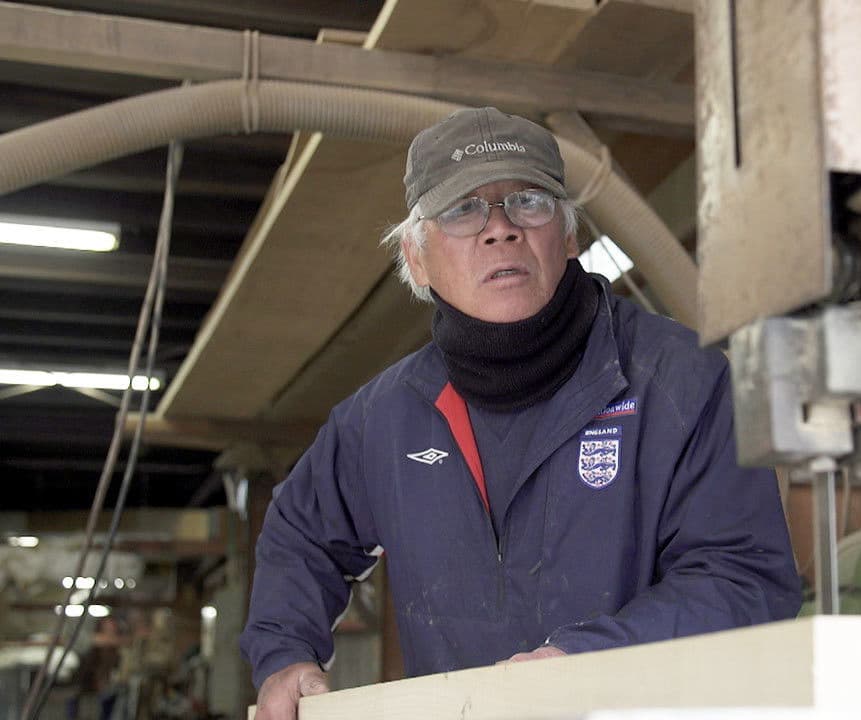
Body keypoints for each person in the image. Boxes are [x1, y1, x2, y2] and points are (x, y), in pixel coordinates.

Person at [240, 107, 802, 719]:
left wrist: (585, 662)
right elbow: (301, 536)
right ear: (416, 255)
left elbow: (743, 577)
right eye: (463, 210)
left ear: (567, 235)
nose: (500, 229)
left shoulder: (682, 381)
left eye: (528, 202)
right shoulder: (383, 420)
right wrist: (285, 653)